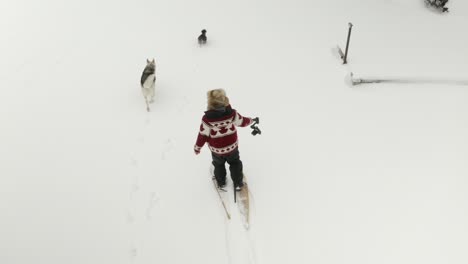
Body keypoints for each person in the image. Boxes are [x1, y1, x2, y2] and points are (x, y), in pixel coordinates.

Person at [194, 89, 254, 191]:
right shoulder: (232, 114)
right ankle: (238, 182)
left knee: (218, 165)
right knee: (235, 163)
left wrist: (197, 147)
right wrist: (251, 120)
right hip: (232, 148)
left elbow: (203, 135)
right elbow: (242, 122)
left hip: (217, 150)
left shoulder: (207, 119)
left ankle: (221, 182)